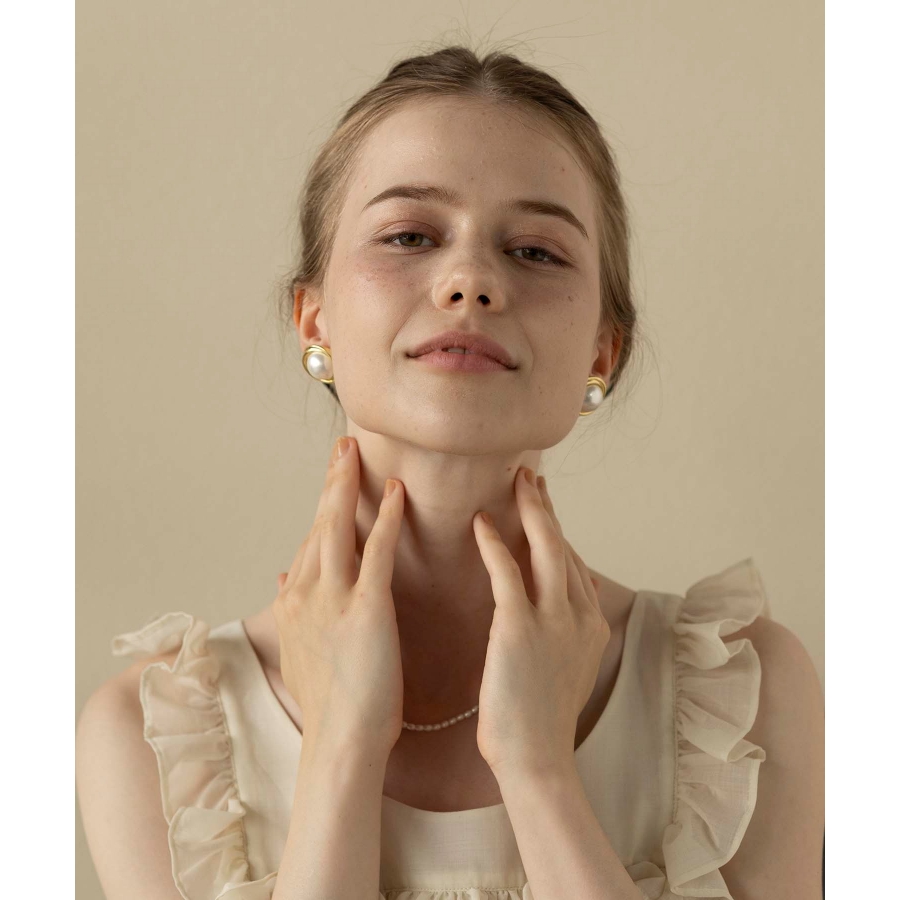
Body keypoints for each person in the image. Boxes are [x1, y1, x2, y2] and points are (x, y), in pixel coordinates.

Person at [76, 44, 825, 900]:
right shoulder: (155, 741)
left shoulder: (741, 699)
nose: (471, 281)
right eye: (409, 237)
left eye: (535, 251)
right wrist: (341, 751)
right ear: (313, 319)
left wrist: (538, 771)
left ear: (602, 351)